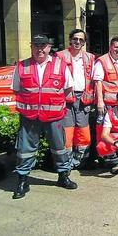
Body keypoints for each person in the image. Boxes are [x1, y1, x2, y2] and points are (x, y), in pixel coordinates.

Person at [11, 34, 77, 199]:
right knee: (25, 150)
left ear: (49, 47)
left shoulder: (60, 65)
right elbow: (16, 89)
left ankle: (63, 176)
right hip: (29, 117)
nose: (40, 49)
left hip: (53, 116)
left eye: (43, 46)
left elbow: (68, 88)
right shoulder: (21, 66)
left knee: (59, 148)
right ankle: (22, 181)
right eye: (36, 45)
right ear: (31, 46)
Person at [56, 29, 95, 169]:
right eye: (75, 39)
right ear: (70, 40)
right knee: (67, 130)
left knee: (83, 131)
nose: (78, 42)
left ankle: (81, 161)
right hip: (66, 98)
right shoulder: (60, 56)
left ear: (84, 42)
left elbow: (94, 79)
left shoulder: (90, 57)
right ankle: (66, 162)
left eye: (81, 40)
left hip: (84, 98)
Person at [93, 36, 118, 115]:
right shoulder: (102, 61)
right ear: (110, 47)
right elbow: (97, 83)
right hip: (107, 104)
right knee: (104, 125)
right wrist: (100, 102)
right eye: (116, 47)